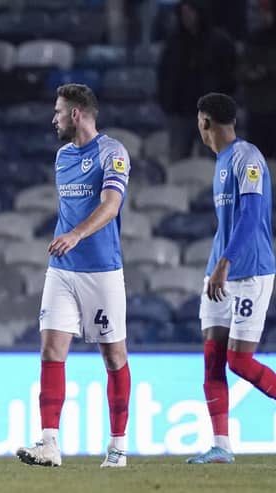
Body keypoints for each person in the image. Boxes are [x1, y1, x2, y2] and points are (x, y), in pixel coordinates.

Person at [16, 84, 131, 468]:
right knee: (51, 350)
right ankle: (49, 443)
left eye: (58, 112)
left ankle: (117, 447)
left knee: (113, 355)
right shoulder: (63, 156)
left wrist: (76, 234)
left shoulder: (113, 153)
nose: (54, 119)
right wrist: (68, 239)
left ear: (77, 114)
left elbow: (111, 205)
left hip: (101, 271)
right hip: (63, 270)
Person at [186, 93, 276, 464]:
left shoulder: (246, 158)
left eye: (198, 120)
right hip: (218, 273)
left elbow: (252, 217)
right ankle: (221, 446)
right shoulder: (222, 161)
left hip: (249, 271)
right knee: (212, 358)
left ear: (205, 121)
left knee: (240, 362)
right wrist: (215, 267)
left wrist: (225, 262)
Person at [157, 0, 236, 162]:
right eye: (183, 13)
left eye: (190, 12)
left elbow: (230, 75)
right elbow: (164, 75)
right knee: (178, 160)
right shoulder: (173, 43)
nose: (187, 17)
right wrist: (167, 103)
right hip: (180, 112)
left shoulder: (219, 42)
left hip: (211, 115)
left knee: (212, 163)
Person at [239, 0, 276, 159]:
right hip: (257, 110)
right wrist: (252, 73)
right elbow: (241, 71)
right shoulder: (252, 40)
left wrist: (266, 70)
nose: (263, 16)